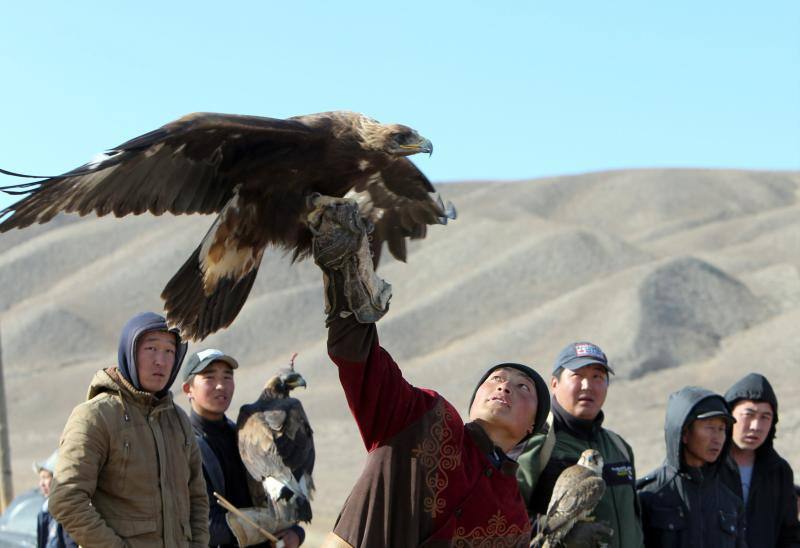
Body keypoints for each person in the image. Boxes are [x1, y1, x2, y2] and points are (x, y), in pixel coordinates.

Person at [311, 202, 551, 547]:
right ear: (474, 401)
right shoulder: (424, 416)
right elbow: (357, 357)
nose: (504, 387)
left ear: (532, 428)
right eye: (496, 379)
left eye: (522, 386)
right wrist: (346, 277)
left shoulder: (512, 521)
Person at [48, 312, 210, 547]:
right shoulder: (96, 416)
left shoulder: (178, 421)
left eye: (169, 352)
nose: (161, 361)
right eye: (151, 349)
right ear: (130, 352)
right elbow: (66, 499)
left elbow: (197, 500)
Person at [517, 342, 644, 548]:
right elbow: (503, 513)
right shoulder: (534, 442)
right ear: (554, 384)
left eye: (597, 377)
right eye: (577, 375)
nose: (588, 385)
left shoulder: (619, 447)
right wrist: (560, 534)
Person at [180, 348, 305, 547]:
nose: (221, 385)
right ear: (188, 389)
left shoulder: (249, 436)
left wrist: (295, 533)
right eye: (209, 377)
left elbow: (283, 501)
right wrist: (268, 527)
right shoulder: (182, 445)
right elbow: (202, 526)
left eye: (227, 377)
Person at [637, 386, 746, 547]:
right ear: (684, 433)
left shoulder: (730, 502)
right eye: (709, 427)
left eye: (722, 429)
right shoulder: (648, 495)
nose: (717, 438)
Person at [719, 373, 800, 547]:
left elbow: (789, 535)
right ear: (728, 417)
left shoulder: (779, 472)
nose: (756, 426)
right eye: (748, 415)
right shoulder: (707, 467)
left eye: (765, 417)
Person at [34, 450, 76, 548]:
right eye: (40, 478)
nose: (41, 484)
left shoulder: (67, 512)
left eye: (45, 477)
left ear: (58, 479)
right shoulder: (45, 511)